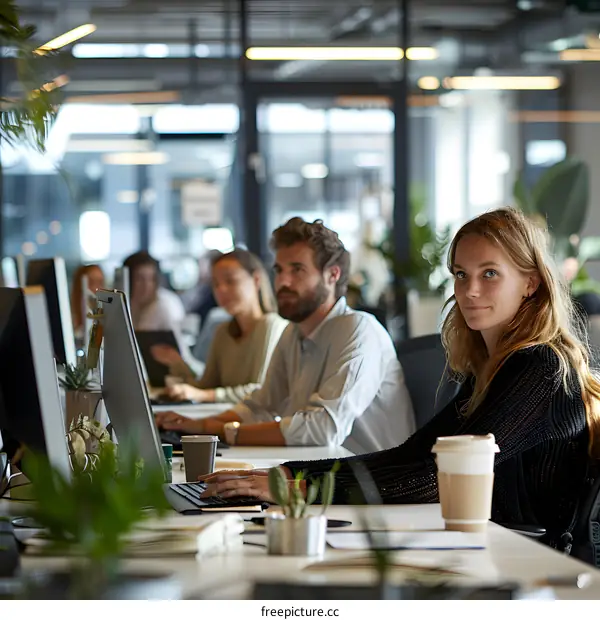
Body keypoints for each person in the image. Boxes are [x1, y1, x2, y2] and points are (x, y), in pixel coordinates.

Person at [199, 208, 600, 546]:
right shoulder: (494, 367)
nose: (470, 290)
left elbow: (434, 478)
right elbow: (414, 453)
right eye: (461, 274)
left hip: (525, 558)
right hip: (486, 543)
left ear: (530, 283)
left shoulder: (541, 368)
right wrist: (289, 473)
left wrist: (296, 488)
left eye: (489, 273)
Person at [155, 217, 416, 455]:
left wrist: (226, 432)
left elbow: (322, 428)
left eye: (297, 270)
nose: (283, 282)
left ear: (332, 275)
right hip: (322, 473)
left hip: (373, 488)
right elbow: (261, 406)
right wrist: (198, 426)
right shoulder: (294, 331)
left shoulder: (358, 330)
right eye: (279, 270)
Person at [150, 249, 288, 404]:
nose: (221, 290)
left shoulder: (272, 325)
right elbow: (205, 386)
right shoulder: (223, 331)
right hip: (221, 417)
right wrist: (178, 365)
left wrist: (202, 395)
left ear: (256, 279)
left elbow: (259, 391)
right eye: (215, 284)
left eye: (230, 281)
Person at [123, 251, 185, 332]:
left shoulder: (167, 306)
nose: (146, 285)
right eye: (139, 279)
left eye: (151, 279)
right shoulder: (124, 303)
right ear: (128, 280)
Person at [70, 264, 105, 335]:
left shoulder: (107, 323)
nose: (96, 289)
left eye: (100, 283)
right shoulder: (68, 321)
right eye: (91, 283)